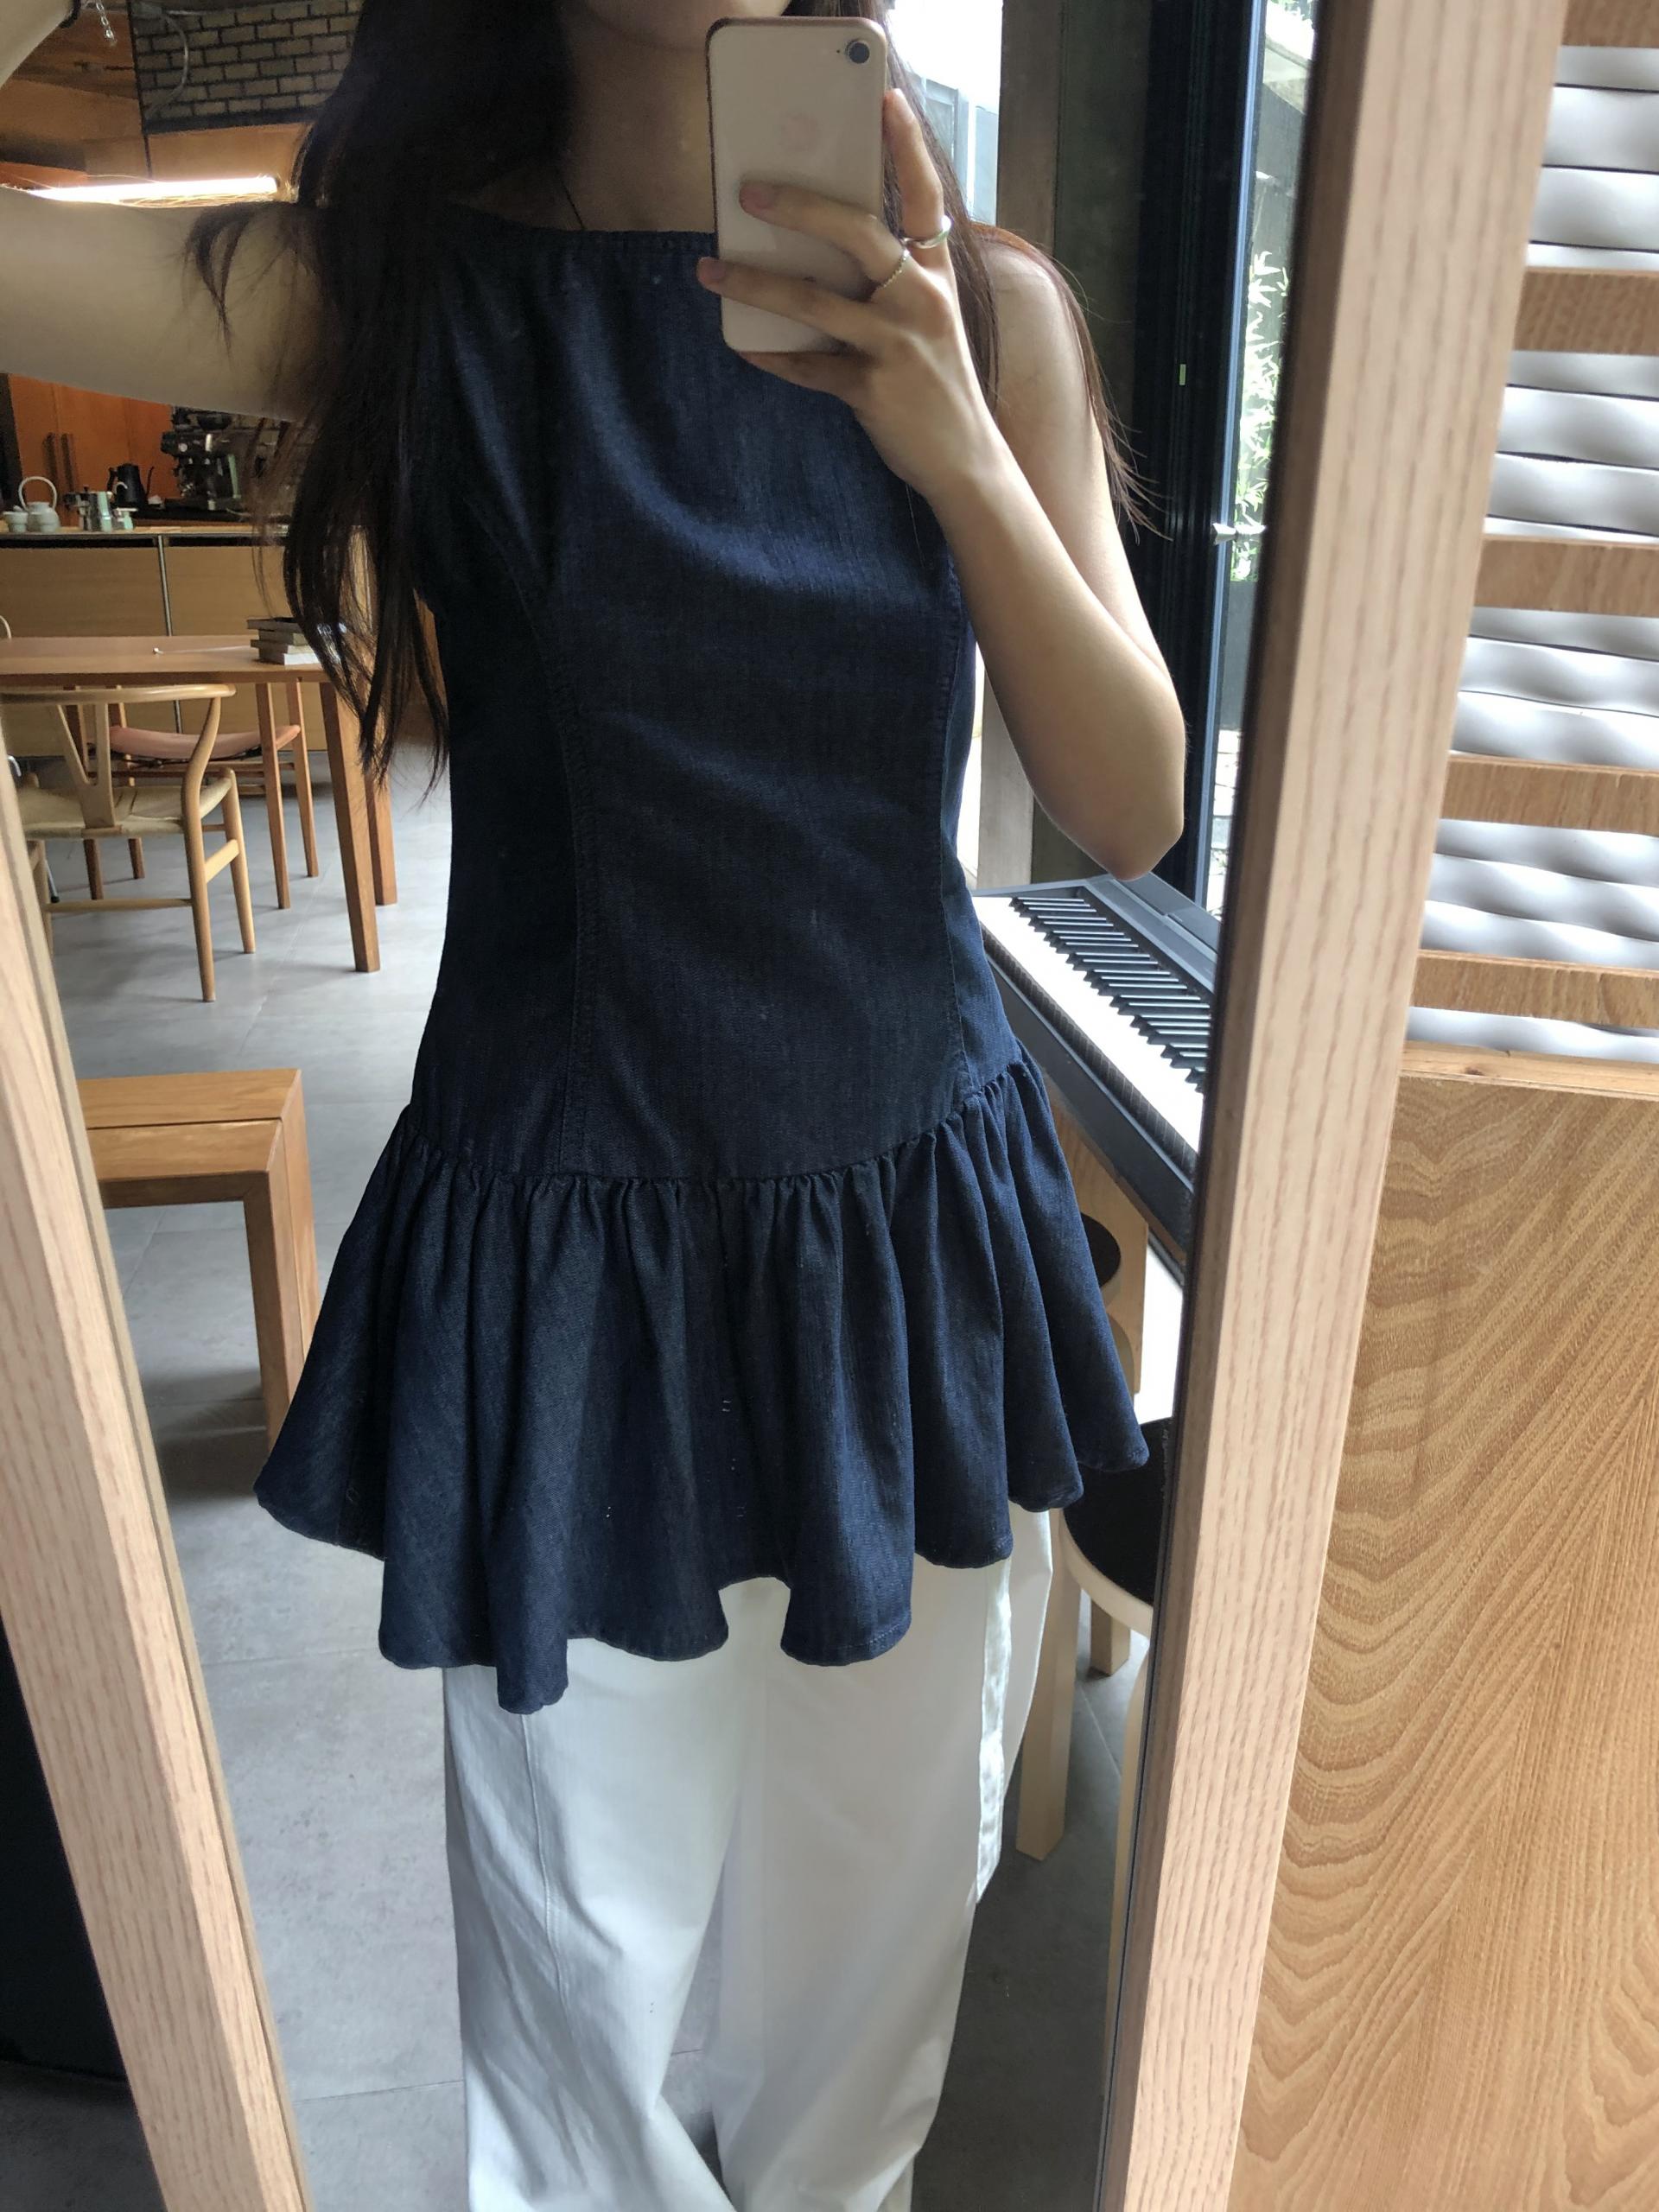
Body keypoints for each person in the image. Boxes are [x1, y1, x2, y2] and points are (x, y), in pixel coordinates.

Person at [2, 1, 1185, 2203]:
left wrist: (952, 441)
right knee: (578, 2000)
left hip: (899, 1245)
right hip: (565, 1258)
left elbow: (1130, 802)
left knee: (869, 1971)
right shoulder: (400, 282)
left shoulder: (985, 301)